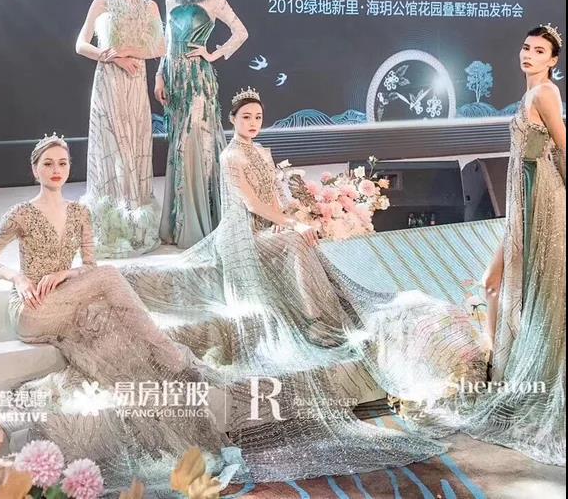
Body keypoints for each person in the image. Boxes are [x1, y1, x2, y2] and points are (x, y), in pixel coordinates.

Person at [122, 88, 487, 482]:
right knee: (296, 242)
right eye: (246, 117)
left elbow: (275, 196)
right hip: (242, 237)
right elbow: (250, 205)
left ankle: (324, 315)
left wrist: (295, 216)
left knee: (304, 242)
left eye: (257, 117)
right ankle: (315, 322)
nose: (253, 123)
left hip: (270, 230)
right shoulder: (230, 157)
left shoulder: (262, 152)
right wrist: (291, 223)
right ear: (233, 120)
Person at [0, 135, 240, 491]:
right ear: (35, 170)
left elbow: (89, 266)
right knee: (112, 277)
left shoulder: (79, 213)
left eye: (62, 163)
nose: (56, 170)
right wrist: (18, 278)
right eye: (48, 164)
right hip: (31, 309)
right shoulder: (21, 213)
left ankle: (158, 375)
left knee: (111, 311)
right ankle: (168, 351)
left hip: (65, 299)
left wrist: (65, 273)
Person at [472, 24, 566, 465]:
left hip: (541, 203)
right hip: (522, 204)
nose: (529, 54)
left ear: (553, 61)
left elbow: (563, 148)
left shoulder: (545, 93)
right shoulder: (529, 95)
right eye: (526, 48)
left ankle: (521, 380)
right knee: (493, 283)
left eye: (539, 51)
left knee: (541, 297)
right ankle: (500, 372)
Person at [155, 0, 248, 250]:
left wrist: (213, 54)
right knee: (179, 147)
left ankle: (205, 221)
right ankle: (181, 222)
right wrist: (159, 76)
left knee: (197, 143)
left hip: (198, 80)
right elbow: (167, 42)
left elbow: (241, 32)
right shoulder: (171, 0)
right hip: (175, 81)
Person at [76, 0, 165, 257]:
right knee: (110, 149)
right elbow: (81, 44)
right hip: (108, 83)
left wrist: (129, 53)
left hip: (135, 83)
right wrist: (113, 57)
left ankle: (135, 222)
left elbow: (161, 47)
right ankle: (109, 225)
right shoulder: (101, 3)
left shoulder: (149, 6)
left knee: (134, 147)